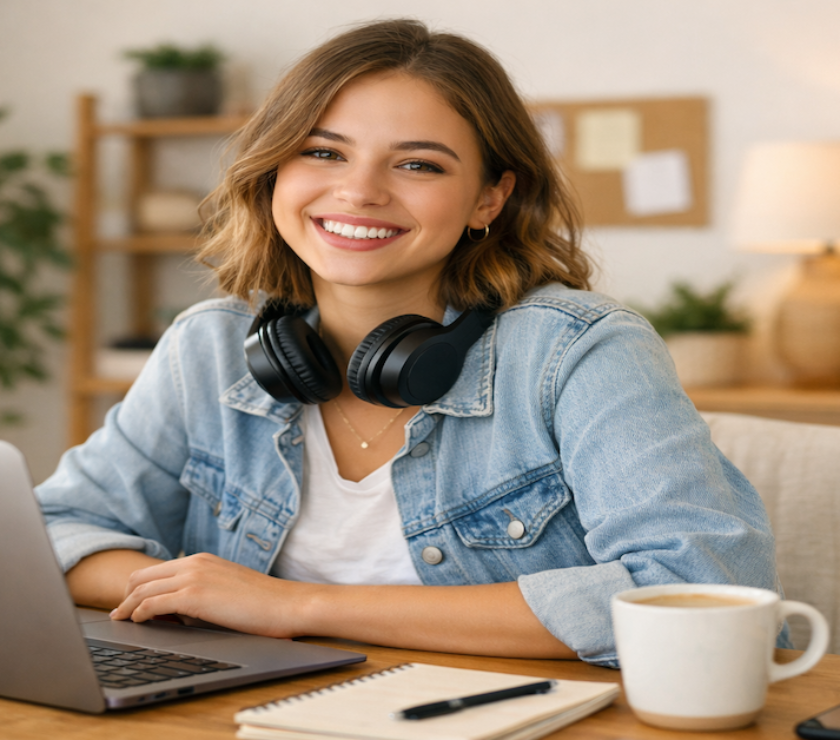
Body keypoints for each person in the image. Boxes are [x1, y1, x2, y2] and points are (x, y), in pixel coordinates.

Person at [36, 19, 785, 667]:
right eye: (323, 153)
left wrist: (294, 607)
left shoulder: (581, 353)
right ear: (272, 171)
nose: (360, 191)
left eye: (418, 164)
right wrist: (190, 592)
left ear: (490, 198)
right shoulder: (211, 346)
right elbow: (53, 532)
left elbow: (699, 586)